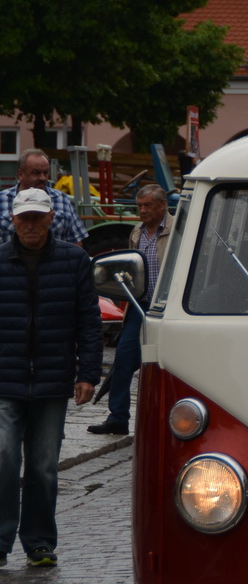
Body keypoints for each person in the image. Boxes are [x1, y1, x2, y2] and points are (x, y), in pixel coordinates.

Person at [0, 187, 102, 568]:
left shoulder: (74, 260)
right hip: (6, 377)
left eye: (37, 218)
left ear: (50, 219)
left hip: (52, 377)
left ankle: (39, 541)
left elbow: (89, 322)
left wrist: (88, 373)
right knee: (4, 456)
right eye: (24, 218)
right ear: (13, 219)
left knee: (43, 465)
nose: (30, 225)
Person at [88, 183, 172, 437]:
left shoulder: (177, 229)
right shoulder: (137, 231)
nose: (142, 211)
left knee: (167, 364)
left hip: (168, 307)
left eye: (148, 206)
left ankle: (165, 419)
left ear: (162, 206)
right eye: (139, 206)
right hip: (140, 304)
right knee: (124, 359)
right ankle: (117, 418)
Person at [0, 150, 88, 249]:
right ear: (20, 174)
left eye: (45, 173)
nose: (42, 178)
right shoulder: (2, 200)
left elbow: (76, 240)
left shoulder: (61, 199)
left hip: (56, 263)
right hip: (11, 262)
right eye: (36, 173)